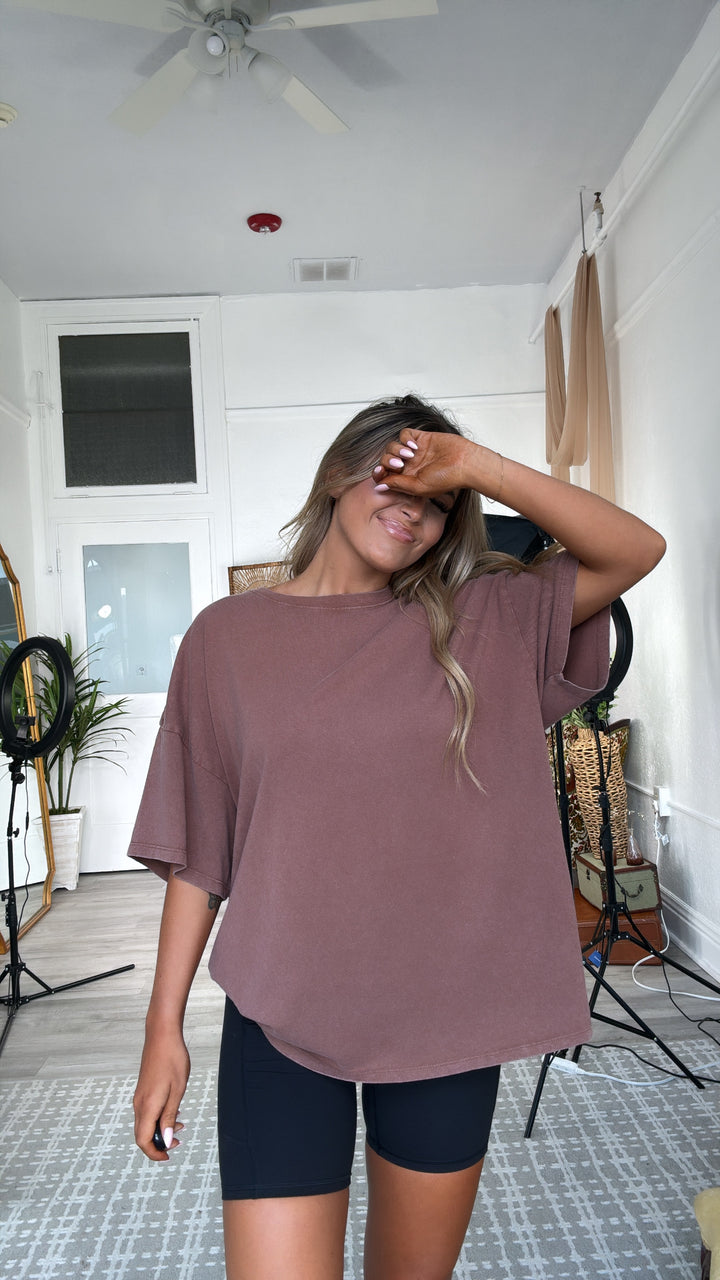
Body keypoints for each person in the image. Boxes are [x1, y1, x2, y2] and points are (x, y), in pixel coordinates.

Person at [129, 394, 665, 1280]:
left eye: (438, 502)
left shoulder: (486, 618)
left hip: (445, 1012)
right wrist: (163, 1028)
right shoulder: (227, 638)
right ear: (340, 475)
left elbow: (635, 549)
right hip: (280, 1004)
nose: (414, 512)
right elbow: (199, 852)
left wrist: (474, 466)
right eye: (396, 481)